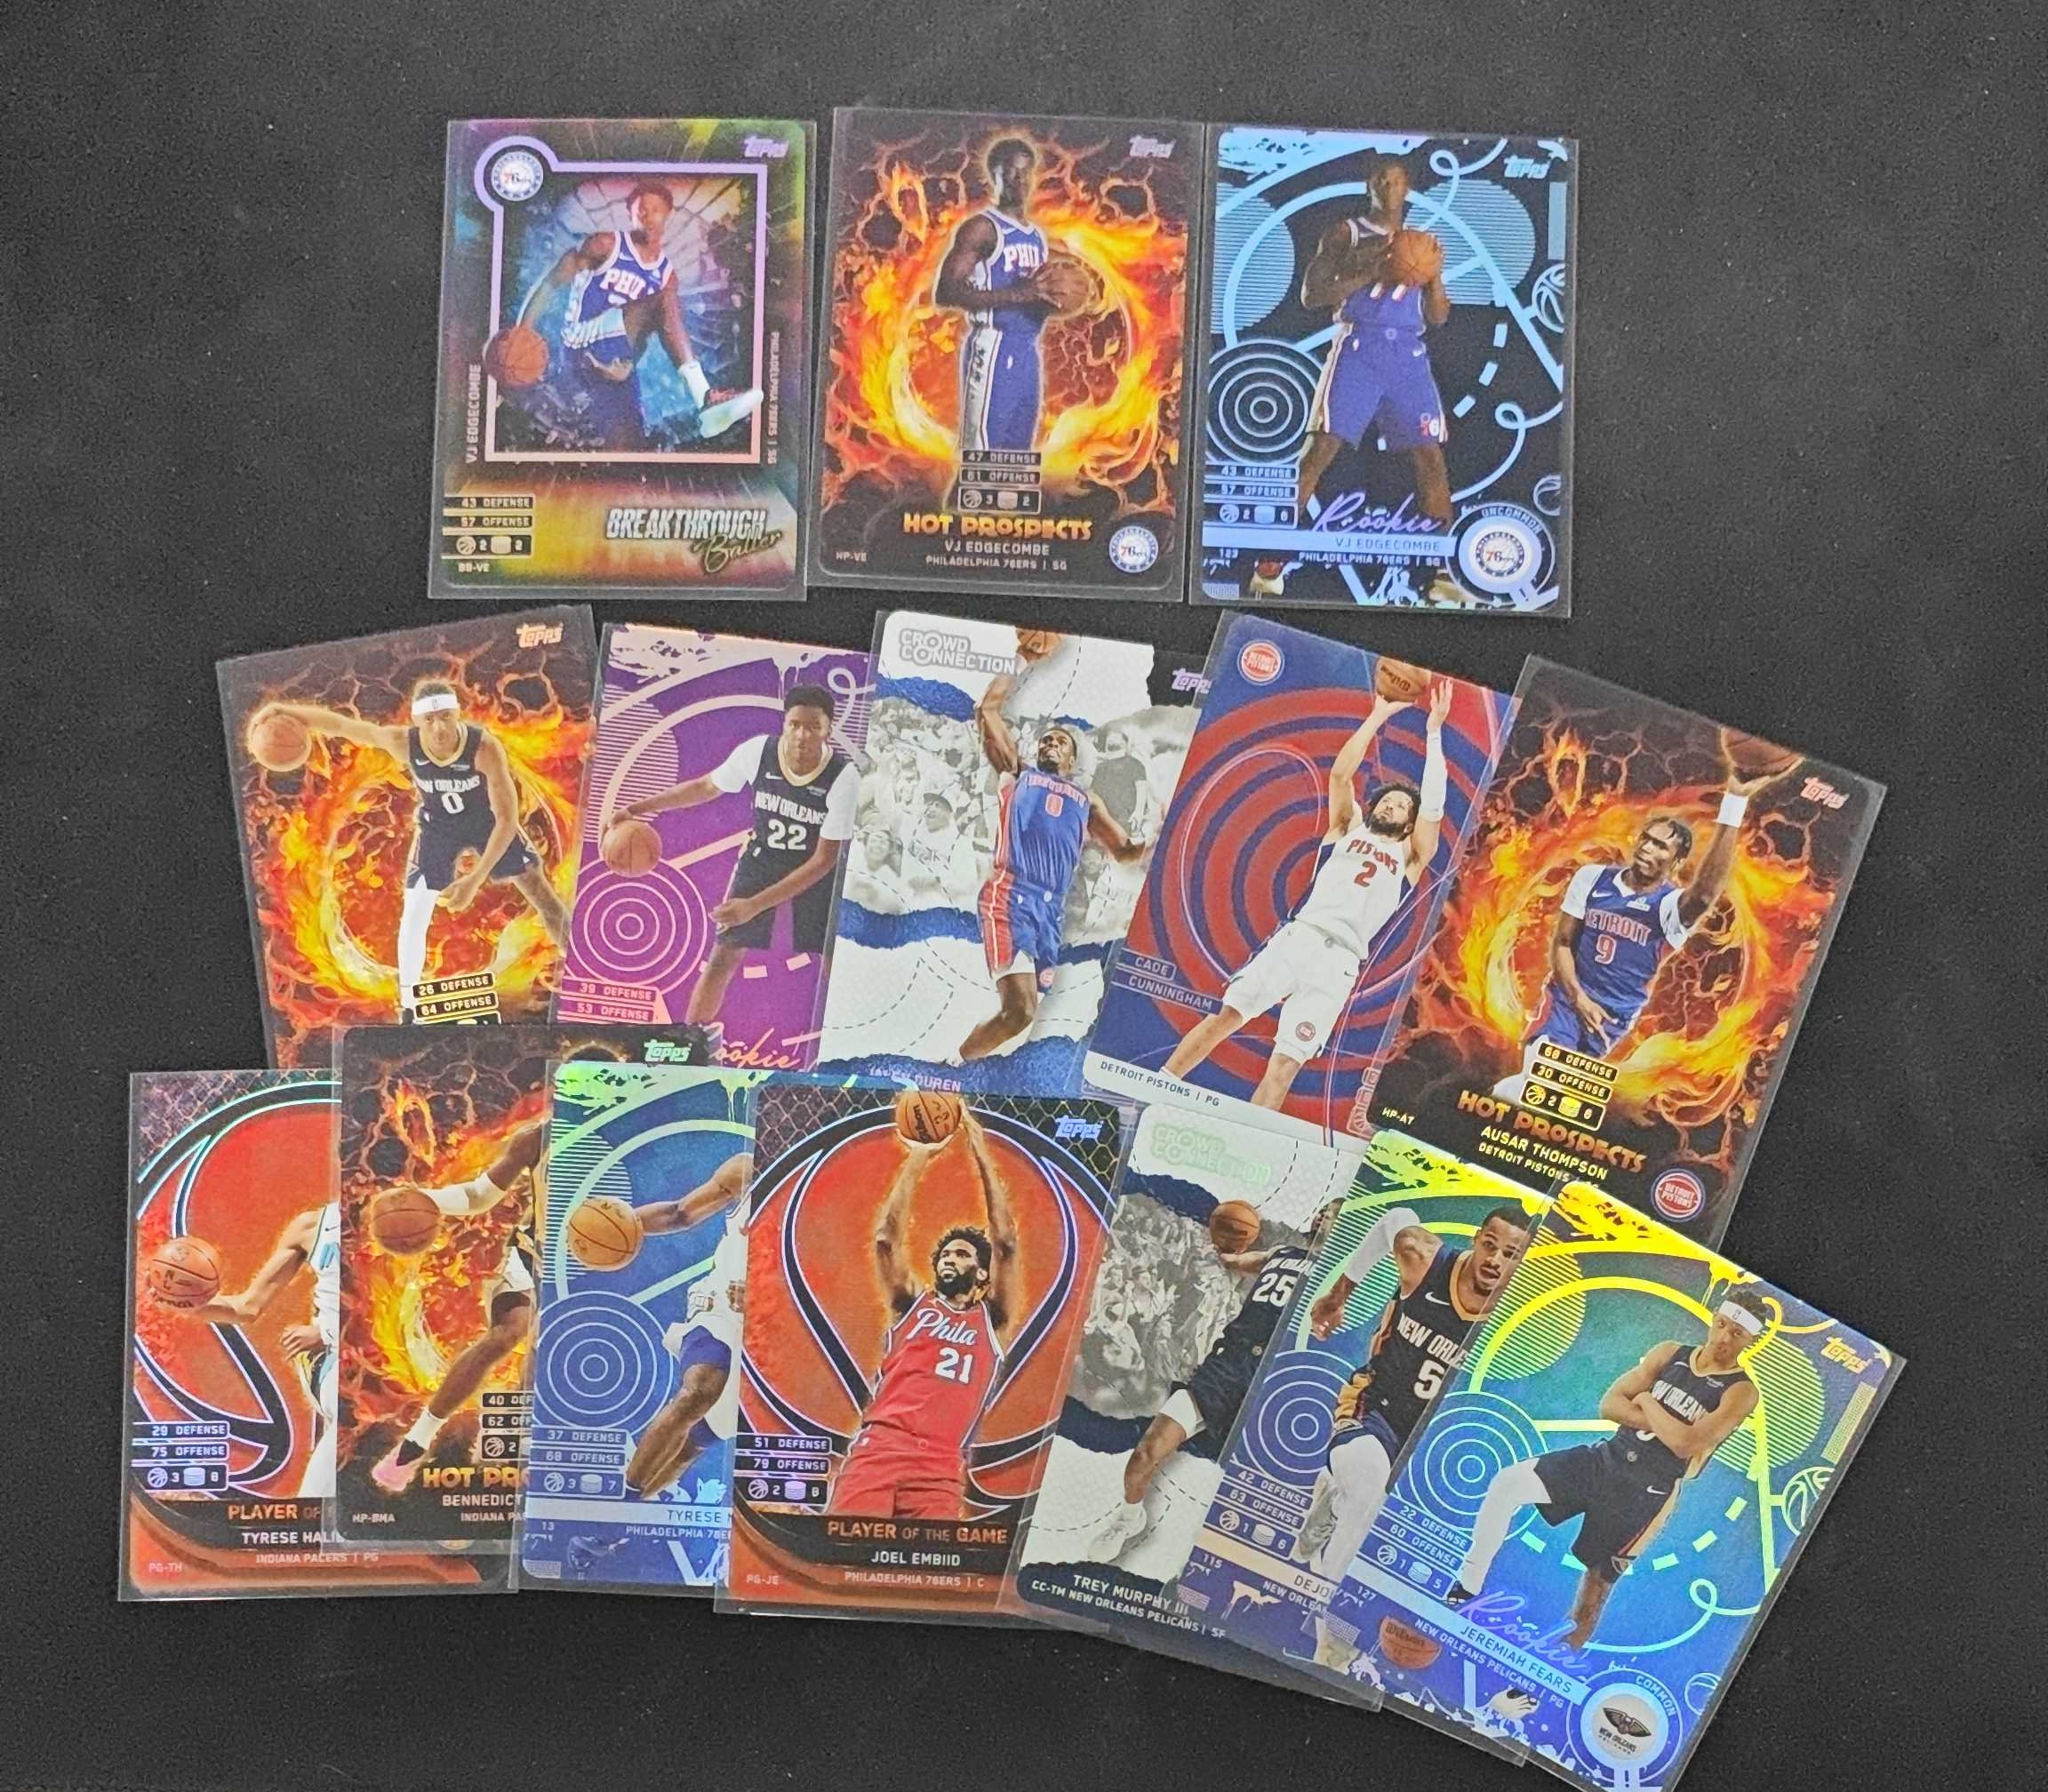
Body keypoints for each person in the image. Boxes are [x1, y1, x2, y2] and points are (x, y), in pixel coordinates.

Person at [1165, 684, 1450, 1108]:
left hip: (1340, 964)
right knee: (1226, 1017)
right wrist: (1377, 716)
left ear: (1410, 824)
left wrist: (1434, 732)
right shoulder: (1347, 828)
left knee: (1285, 1066)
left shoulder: (1411, 858)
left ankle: (1245, 1136)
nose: (1389, 807)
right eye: (1386, 802)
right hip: (1300, 938)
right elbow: (1340, 776)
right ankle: (1160, 1084)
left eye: (1399, 806)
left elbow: (1434, 808)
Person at [1444, 1290, 1766, 1649]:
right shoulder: (1670, 1353)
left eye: (1737, 1333)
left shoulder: (1741, 1391)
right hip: (1608, 1457)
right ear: (1714, 1317)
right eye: (1722, 1324)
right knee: (1508, 1484)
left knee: (1596, 1584)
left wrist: (1647, 1400)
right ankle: (1468, 1584)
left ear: (1751, 1341)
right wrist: (1668, 1424)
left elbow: (1685, 1444)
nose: (1724, 1337)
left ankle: (1559, 1656)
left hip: (1649, 1489)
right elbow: (1610, 1405)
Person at [1292, 1203, 1533, 1667]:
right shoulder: (1427, 1262)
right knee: (1369, 1489)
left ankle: (1334, 1502)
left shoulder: (1513, 1315)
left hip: (1426, 1441)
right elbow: (1395, 1219)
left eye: (1510, 1254)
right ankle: (1329, 1627)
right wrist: (1339, 1295)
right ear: (1476, 1239)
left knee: (1371, 1506)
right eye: (1490, 1245)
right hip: (1373, 1407)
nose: (1495, 1261)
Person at [252, 681, 566, 1020]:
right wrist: (283, 711)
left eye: (445, 717)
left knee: (542, 894)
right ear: (417, 721)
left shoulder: (483, 747)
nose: (439, 728)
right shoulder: (403, 743)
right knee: (415, 913)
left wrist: (474, 879)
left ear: (457, 714)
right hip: (438, 828)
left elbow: (506, 819)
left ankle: (582, 963)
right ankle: (411, 1007)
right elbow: (342, 726)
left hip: (486, 822)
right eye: (430, 720)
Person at [1491, 766, 1782, 1099]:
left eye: (1660, 847)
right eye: (1646, 839)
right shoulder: (1591, 878)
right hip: (1566, 1000)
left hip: (1611, 1018)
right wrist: (1579, 998)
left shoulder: (1668, 909)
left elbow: (1703, 896)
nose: (1647, 849)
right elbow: (1563, 943)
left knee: (1546, 1097)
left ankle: (1497, 1096)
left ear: (1676, 862)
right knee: (1540, 1080)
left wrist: (1735, 801)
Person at [1088, 1201, 1342, 1564]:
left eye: (1333, 1213)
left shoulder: (1344, 1281)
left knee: (1271, 1489)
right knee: (1146, 1451)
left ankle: (1318, 1522)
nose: (1322, 1215)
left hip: (1273, 1381)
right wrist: (1223, 1238)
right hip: (1226, 1366)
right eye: (1322, 1210)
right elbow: (1232, 1261)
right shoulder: (1281, 1253)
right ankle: (1129, 1519)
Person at [1248, 157, 1452, 602]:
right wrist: (1370, 272)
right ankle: (1269, 562)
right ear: (1369, 186)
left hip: (1407, 353)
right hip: (1359, 346)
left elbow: (1438, 317)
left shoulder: (1423, 244)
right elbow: (1311, 296)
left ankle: (1444, 571)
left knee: (1430, 458)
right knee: (1319, 451)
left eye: (1396, 180)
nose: (1389, 186)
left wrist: (1434, 280)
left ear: (1407, 188)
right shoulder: (1347, 232)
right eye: (1382, 179)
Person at [613, 686, 858, 1041]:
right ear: (784, 723)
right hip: (763, 859)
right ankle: (690, 1042)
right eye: (795, 724)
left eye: (813, 726)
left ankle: (849, 1041)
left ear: (828, 729)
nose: (802, 735)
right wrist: (638, 808)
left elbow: (824, 860)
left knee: (834, 960)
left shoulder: (844, 777)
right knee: (723, 955)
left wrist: (754, 906)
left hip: (815, 870)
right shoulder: (758, 752)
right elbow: (705, 787)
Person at [828, 1113, 1020, 1520]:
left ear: (982, 1273)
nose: (949, 1258)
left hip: (941, 1464)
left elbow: (1005, 1243)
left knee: (927, 1561)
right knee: (843, 1551)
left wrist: (981, 1153)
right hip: (882, 1447)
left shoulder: (993, 1319)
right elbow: (886, 1240)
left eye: (962, 1254)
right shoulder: (913, 1303)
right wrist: (919, 1155)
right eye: (945, 1254)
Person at [960, 668, 1147, 1060]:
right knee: (1020, 1011)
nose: (1051, 744)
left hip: (1050, 913)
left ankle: (963, 1055)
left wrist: (1167, 832)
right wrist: (1020, 662)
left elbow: (1125, 852)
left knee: (1020, 1022)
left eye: (1061, 741)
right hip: (1010, 895)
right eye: (1046, 739)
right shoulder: (1018, 772)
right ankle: (954, 1066)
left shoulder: (1087, 799)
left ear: (1072, 758)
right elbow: (987, 710)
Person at [516, 180, 761, 451]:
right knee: (663, 299)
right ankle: (705, 396)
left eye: (656, 210)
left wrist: (628, 365)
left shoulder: (667, 275)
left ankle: (708, 415)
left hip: (618, 355)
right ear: (630, 214)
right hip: (581, 340)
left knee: (630, 442)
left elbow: (643, 329)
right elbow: (550, 283)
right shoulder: (605, 244)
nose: (648, 216)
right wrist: (522, 334)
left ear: (667, 215)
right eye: (641, 210)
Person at [371, 1121, 547, 1492]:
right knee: (511, 1331)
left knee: (559, 1341)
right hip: (537, 1254)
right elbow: (479, 1196)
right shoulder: (537, 1138)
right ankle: (416, 1442)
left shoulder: (635, 1133)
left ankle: (540, 1437)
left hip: (600, 1261)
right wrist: (424, 1199)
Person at [172, 1204, 341, 1498]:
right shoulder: (312, 1226)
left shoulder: (414, 1216)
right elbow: (246, 1307)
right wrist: (180, 1303)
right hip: (339, 1369)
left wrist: (328, 1331)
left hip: (394, 1358)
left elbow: (408, 1303)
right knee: (348, 1419)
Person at [612, 1154, 755, 1497]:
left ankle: (623, 1517)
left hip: (773, 1327)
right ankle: (621, 1500)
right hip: (720, 1309)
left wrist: (766, 1292)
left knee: (692, 1446)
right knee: (698, 1392)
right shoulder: (748, 1169)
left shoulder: (835, 1189)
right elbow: (679, 1213)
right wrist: (622, 1224)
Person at [933, 139, 1057, 455]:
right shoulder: (982, 229)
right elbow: (946, 291)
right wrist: (1018, 293)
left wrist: (1057, 300)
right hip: (993, 346)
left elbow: (1034, 296)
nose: (1020, 180)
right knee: (981, 455)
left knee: (1015, 456)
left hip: (1028, 350)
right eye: (1011, 172)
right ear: (995, 175)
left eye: (1026, 172)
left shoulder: (1036, 236)